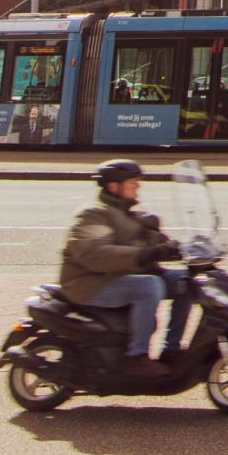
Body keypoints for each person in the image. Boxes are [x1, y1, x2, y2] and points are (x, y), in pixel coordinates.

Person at [59, 159, 193, 381]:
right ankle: (136, 358)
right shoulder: (93, 215)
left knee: (186, 281)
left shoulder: (127, 213)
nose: (137, 188)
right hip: (89, 283)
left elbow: (146, 244)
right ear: (114, 186)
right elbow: (96, 255)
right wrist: (144, 255)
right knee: (149, 286)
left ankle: (171, 350)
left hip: (119, 276)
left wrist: (173, 248)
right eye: (133, 183)